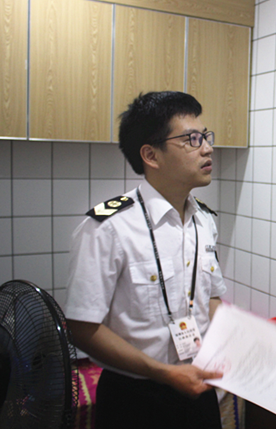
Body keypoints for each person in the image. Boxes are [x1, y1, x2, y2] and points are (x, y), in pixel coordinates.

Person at [65, 91, 226, 429]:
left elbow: (211, 297)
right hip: (134, 398)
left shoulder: (204, 221)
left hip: (198, 389)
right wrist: (163, 372)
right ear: (151, 155)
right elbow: (82, 328)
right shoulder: (108, 228)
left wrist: (231, 343)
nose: (207, 148)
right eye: (191, 139)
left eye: (206, 136)